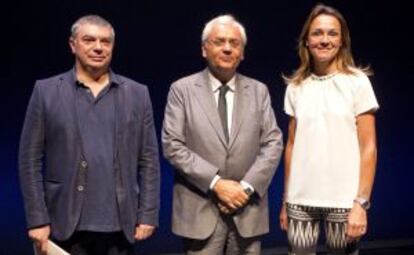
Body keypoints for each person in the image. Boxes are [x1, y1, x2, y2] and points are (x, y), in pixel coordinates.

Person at [19, 15, 160, 255]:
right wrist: (36, 218)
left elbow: (149, 160)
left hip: (120, 225)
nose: (98, 47)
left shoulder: (137, 94)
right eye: (89, 40)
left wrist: (148, 214)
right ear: (73, 45)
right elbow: (29, 160)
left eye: (105, 42)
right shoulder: (46, 91)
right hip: (63, 222)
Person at [162, 14, 283, 254]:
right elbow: (173, 145)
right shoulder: (182, 90)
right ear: (204, 49)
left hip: (247, 209)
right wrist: (217, 184)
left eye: (234, 43)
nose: (227, 48)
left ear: (242, 52)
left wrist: (245, 188)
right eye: (219, 42)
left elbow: (273, 143)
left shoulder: (259, 91)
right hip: (201, 210)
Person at [280, 4, 379, 255]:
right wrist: (285, 199)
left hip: (344, 201)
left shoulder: (357, 82)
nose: (325, 40)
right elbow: (291, 146)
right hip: (300, 201)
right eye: (317, 33)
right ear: (306, 41)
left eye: (332, 34)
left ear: (342, 40)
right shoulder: (295, 87)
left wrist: (361, 204)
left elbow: (368, 147)